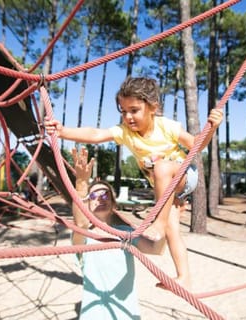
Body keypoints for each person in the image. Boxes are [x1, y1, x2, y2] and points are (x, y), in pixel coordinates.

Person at [45, 76, 223, 289]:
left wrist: (211, 128)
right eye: (123, 111)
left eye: (134, 110)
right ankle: (183, 277)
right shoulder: (125, 132)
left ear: (153, 108)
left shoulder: (165, 126)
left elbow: (196, 144)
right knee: (172, 229)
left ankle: (157, 221)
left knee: (162, 168)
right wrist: (63, 131)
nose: (128, 116)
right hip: (167, 191)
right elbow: (95, 133)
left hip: (184, 176)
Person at [70, 147, 165, 319]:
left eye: (105, 195)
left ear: (114, 204)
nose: (99, 199)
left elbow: (156, 248)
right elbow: (80, 223)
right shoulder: (84, 237)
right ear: (88, 205)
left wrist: (166, 219)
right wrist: (81, 184)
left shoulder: (126, 233)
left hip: (125, 314)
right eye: (93, 197)